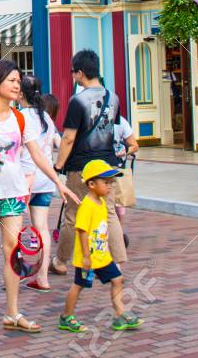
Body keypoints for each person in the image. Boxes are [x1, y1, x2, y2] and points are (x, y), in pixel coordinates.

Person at [0, 58, 76, 333]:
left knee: (12, 251)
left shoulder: (20, 118)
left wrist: (59, 181)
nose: (17, 85)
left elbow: (37, 154)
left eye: (19, 81)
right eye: (12, 80)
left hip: (13, 192)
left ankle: (12, 313)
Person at [51, 50, 125, 276]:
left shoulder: (77, 101)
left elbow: (69, 137)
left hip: (82, 165)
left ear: (80, 73)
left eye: (73, 72)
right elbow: (114, 128)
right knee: (109, 213)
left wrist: (58, 165)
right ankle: (117, 261)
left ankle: (62, 261)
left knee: (72, 215)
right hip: (108, 165)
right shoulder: (114, 97)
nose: (73, 76)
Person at [57, 159, 144, 333]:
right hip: (87, 258)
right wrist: (86, 257)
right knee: (79, 285)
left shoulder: (102, 203)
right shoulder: (87, 206)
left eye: (111, 183)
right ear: (91, 184)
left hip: (102, 256)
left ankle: (120, 313)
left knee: (117, 279)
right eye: (106, 183)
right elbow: (82, 231)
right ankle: (66, 317)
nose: (110, 186)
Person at [18, 79, 59, 292]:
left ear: (20, 94)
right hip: (45, 179)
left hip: (23, 180)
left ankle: (12, 276)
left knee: (12, 228)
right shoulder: (47, 119)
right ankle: (42, 277)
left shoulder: (19, 117)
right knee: (42, 228)